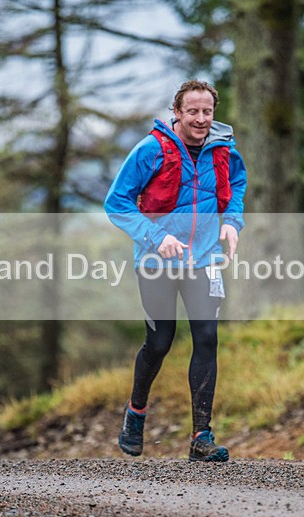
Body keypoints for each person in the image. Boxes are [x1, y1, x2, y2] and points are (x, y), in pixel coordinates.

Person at [104, 80, 247, 462]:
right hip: (156, 262)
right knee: (160, 342)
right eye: (193, 111)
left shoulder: (224, 148)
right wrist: (155, 237)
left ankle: (202, 436)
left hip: (204, 259)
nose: (201, 119)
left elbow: (236, 183)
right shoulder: (151, 149)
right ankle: (135, 414)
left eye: (207, 111)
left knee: (206, 338)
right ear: (177, 113)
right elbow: (116, 203)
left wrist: (232, 222)